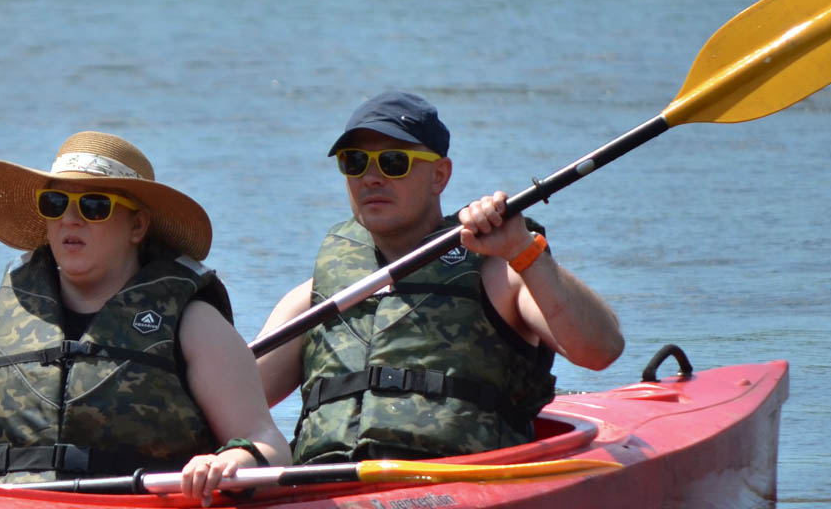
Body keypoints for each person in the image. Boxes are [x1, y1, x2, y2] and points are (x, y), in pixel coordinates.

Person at [0, 131, 289, 503]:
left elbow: (267, 442)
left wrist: (233, 461)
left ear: (137, 225)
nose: (70, 219)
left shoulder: (195, 325)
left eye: (94, 205)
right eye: (55, 203)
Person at [254, 91, 624, 464]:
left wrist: (523, 250)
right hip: (324, 486)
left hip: (457, 484)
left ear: (440, 176)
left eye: (394, 162)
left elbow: (600, 351)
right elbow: (235, 401)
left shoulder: (499, 273)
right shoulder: (315, 296)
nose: (371, 177)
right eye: (355, 162)